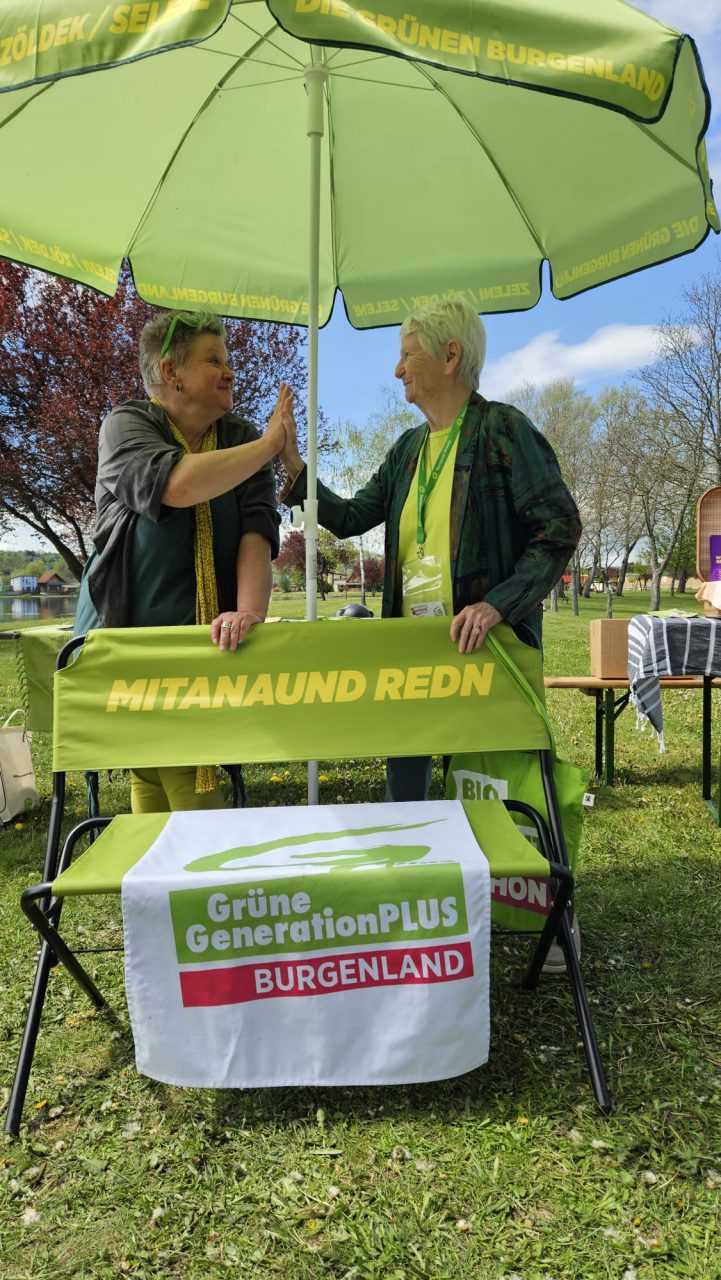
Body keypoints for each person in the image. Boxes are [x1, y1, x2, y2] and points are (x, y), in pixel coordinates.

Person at [280, 297, 581, 803]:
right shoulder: (406, 450)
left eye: (408, 354)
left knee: (491, 797)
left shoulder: (503, 430)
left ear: (450, 355)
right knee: (407, 797)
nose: (397, 369)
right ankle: (415, 878)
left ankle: (495, 876)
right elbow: (352, 517)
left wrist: (496, 605)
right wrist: (292, 462)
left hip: (484, 649)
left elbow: (559, 528)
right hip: (412, 655)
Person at [75, 308, 293, 813]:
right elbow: (175, 485)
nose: (229, 372)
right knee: (164, 780)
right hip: (129, 647)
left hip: (203, 655)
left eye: (228, 360)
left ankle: (158, 887)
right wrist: (269, 446)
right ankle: (185, 887)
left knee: (170, 778)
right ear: (171, 373)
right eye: (212, 360)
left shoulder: (239, 439)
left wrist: (249, 612)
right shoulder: (125, 425)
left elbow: (257, 531)